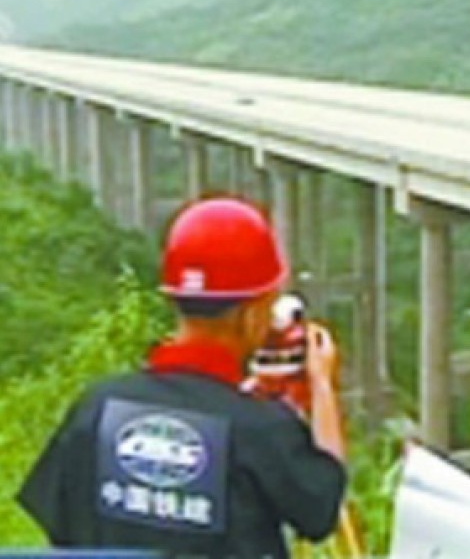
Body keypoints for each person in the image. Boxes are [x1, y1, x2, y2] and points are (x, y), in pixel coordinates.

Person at [17, 198, 347, 558]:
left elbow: (61, 531)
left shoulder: (96, 406)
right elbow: (321, 511)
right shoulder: (261, 429)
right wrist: (322, 388)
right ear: (251, 315)